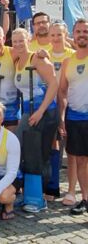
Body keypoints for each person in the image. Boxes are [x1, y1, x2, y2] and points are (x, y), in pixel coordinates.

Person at [12, 28, 58, 212]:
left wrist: (40, 111)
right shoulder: (16, 60)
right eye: (14, 41)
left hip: (45, 113)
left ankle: (39, 197)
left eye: (21, 41)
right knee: (23, 149)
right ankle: (27, 193)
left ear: (28, 39)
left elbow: (54, 83)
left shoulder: (37, 58)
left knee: (40, 154)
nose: (17, 44)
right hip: (28, 111)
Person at [58, 18, 88, 215]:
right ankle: (85, 199)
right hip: (75, 118)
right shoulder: (68, 61)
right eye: (78, 31)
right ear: (73, 35)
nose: (82, 35)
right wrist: (62, 117)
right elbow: (62, 91)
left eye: (85, 31)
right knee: (79, 160)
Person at [47, 22, 76, 205]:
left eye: (59, 34)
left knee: (73, 150)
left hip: (71, 105)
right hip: (50, 106)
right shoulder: (44, 54)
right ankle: (53, 186)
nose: (56, 38)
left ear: (66, 35)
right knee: (54, 146)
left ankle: (73, 190)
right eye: (53, 35)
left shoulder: (73, 55)